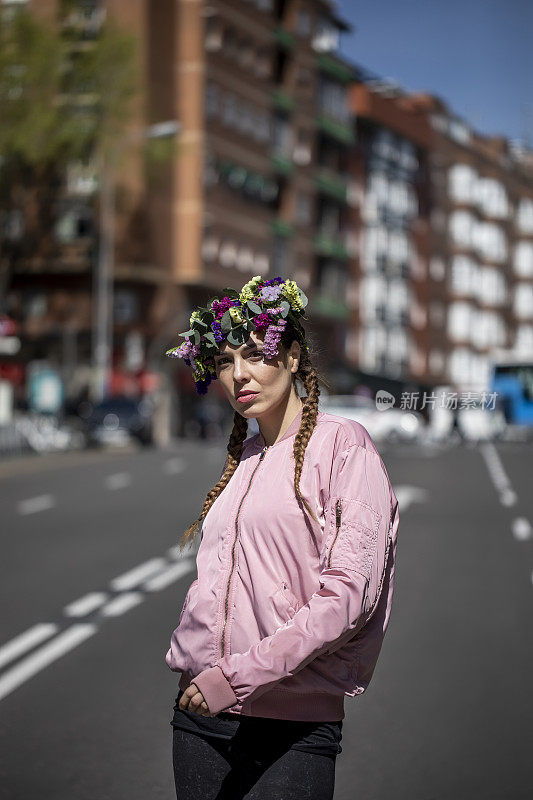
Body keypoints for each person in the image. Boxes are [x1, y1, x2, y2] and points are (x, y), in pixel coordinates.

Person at [164, 275, 400, 799]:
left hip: (291, 726)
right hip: (202, 717)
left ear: (293, 357)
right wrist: (202, 670)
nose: (238, 374)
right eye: (225, 361)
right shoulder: (244, 458)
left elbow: (348, 599)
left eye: (254, 354)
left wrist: (240, 675)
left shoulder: (345, 447)